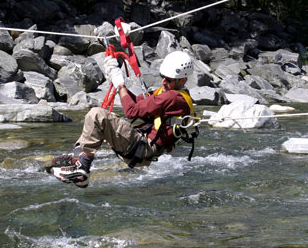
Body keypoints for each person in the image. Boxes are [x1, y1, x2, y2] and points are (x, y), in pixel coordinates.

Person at [47, 50, 196, 188]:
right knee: (97, 125)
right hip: (142, 147)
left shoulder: (172, 97)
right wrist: (116, 78)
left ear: (182, 80)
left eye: (169, 80)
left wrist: (120, 84)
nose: (163, 82)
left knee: (97, 115)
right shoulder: (175, 94)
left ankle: (82, 167)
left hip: (143, 147)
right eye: (162, 77)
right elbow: (138, 102)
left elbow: (131, 111)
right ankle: (77, 157)